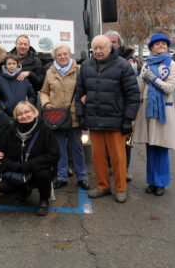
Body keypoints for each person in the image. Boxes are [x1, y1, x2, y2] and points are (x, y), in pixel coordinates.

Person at [75, 35, 139, 203]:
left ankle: (120, 188)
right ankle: (103, 186)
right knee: (98, 157)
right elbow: (80, 93)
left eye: (101, 48)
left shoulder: (123, 66)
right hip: (94, 120)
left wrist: (128, 119)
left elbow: (133, 95)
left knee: (118, 157)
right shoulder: (86, 66)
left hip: (116, 120)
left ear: (110, 48)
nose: (98, 51)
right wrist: (81, 115)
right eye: (95, 48)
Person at [132, 33, 175, 197]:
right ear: (151, 48)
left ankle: (161, 183)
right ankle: (151, 181)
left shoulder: (172, 65)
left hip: (163, 111)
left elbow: (169, 88)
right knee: (150, 146)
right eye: (157, 44)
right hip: (147, 110)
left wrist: (153, 79)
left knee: (161, 146)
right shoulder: (145, 65)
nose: (161, 46)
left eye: (164, 44)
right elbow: (139, 87)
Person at [0, 101, 60, 216]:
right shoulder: (9, 131)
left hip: (37, 169)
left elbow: (54, 155)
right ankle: (23, 191)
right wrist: (12, 165)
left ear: (34, 112)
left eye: (27, 112)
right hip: (18, 170)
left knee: (43, 174)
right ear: (16, 117)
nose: (24, 116)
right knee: (2, 186)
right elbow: (0, 154)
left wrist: (30, 165)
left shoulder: (45, 130)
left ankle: (44, 200)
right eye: (20, 114)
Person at [40, 43, 89, 191]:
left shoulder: (80, 70)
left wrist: (86, 98)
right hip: (56, 117)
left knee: (77, 148)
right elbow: (44, 92)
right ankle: (62, 176)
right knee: (59, 148)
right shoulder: (50, 72)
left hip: (74, 116)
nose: (62, 57)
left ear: (70, 55)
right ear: (55, 57)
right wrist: (46, 104)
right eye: (59, 55)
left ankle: (82, 177)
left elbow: (88, 88)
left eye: (65, 54)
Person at [104, 30, 138, 182]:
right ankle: (111, 166)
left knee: (125, 142)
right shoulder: (100, 57)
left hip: (124, 108)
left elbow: (134, 89)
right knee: (106, 141)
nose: (111, 45)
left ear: (120, 44)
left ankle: (125, 169)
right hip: (106, 108)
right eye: (108, 42)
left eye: (114, 42)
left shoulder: (129, 59)